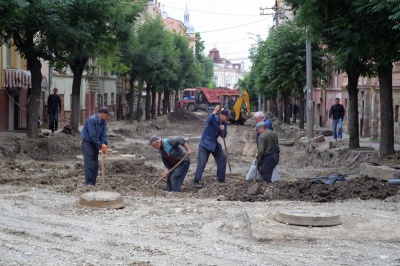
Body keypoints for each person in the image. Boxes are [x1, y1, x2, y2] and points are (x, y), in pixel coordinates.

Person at [193, 105, 232, 189]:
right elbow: (208, 120)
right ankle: (196, 181)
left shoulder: (224, 123)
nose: (227, 119)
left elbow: (224, 136)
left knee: (222, 157)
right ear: (221, 115)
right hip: (205, 143)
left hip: (214, 143)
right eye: (226, 117)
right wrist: (215, 111)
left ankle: (221, 178)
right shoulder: (214, 118)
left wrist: (223, 130)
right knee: (202, 162)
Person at [80, 107, 110, 186]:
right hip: (88, 143)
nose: (107, 117)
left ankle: (93, 182)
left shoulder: (103, 122)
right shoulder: (92, 120)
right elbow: (93, 135)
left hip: (95, 144)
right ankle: (89, 183)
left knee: (95, 164)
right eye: (106, 115)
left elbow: (104, 134)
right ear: (102, 113)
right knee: (89, 163)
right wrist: (100, 145)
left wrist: (104, 143)